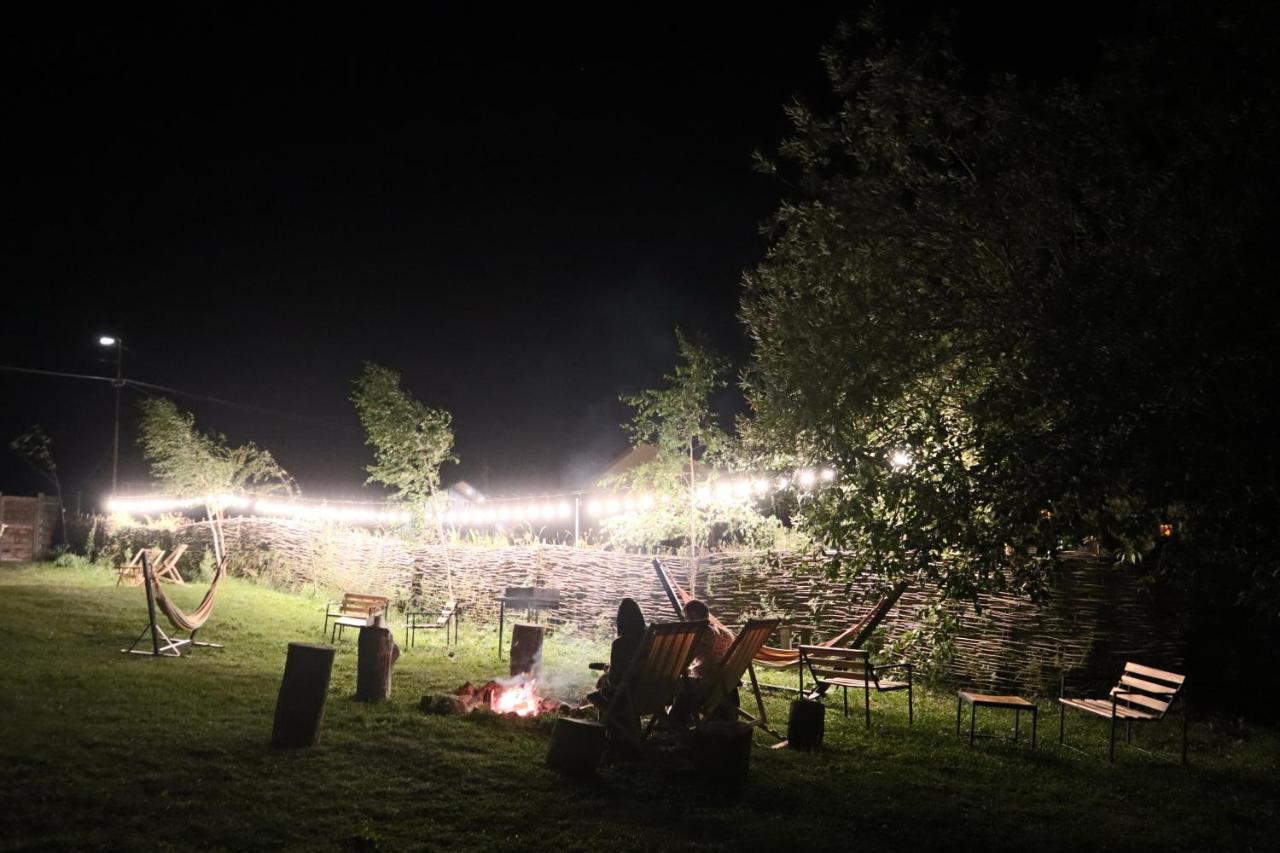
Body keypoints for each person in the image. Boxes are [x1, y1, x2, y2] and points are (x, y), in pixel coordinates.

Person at [587, 597, 646, 709]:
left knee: (597, 693)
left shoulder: (620, 643)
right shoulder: (650, 639)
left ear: (621, 620)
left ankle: (609, 725)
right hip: (653, 692)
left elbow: (614, 679)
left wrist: (607, 673)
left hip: (629, 696)